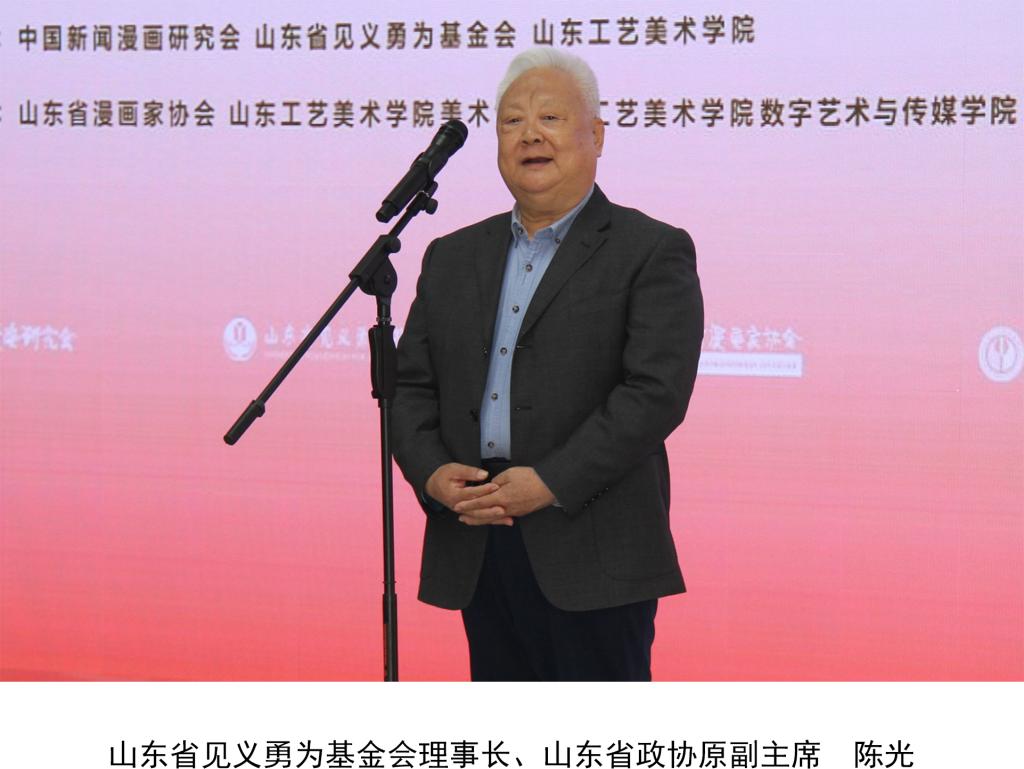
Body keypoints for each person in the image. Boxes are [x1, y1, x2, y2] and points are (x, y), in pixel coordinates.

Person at [391, 47, 704, 681]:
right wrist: (431, 473)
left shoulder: (650, 250)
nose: (530, 135)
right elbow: (407, 387)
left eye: (551, 118)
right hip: (479, 533)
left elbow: (654, 393)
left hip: (592, 543)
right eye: (512, 122)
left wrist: (550, 481)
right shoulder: (451, 256)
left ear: (597, 136)